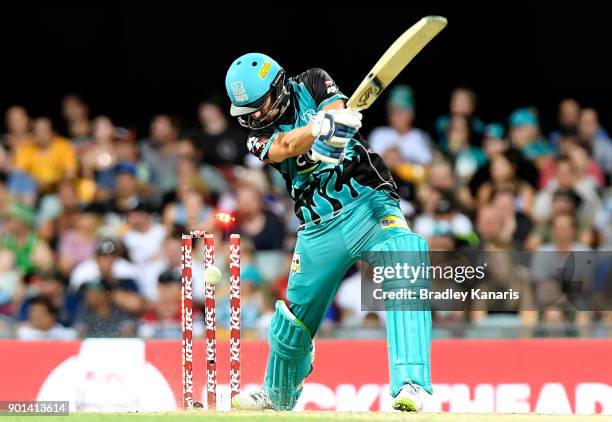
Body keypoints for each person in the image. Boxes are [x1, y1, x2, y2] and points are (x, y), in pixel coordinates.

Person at [224, 53, 432, 412]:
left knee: (407, 256)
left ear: (280, 86)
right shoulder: (256, 139)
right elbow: (287, 146)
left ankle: (412, 385)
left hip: (369, 203)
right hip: (317, 227)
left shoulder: (312, 81)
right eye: (250, 112)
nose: (256, 116)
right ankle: (277, 394)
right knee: (293, 320)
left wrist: (336, 122)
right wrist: (319, 130)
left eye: (261, 106)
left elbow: (336, 108)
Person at [367, 85, 433, 165]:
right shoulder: (379, 134)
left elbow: (428, 166)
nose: (396, 117)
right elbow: (370, 164)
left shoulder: (420, 137)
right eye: (393, 111)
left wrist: (401, 163)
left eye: (401, 112)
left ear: (412, 114)